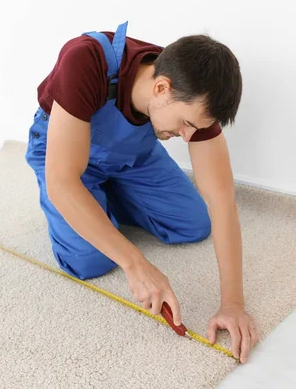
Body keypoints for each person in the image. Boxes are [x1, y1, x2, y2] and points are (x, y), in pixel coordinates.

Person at [25, 21, 258, 363]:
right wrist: (136, 265)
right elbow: (62, 182)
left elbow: (222, 200)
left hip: (131, 159)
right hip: (67, 162)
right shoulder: (86, 60)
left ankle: (103, 199)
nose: (189, 138)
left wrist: (233, 304)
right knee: (90, 260)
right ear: (161, 88)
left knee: (194, 224)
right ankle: (91, 201)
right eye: (186, 125)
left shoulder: (196, 96)